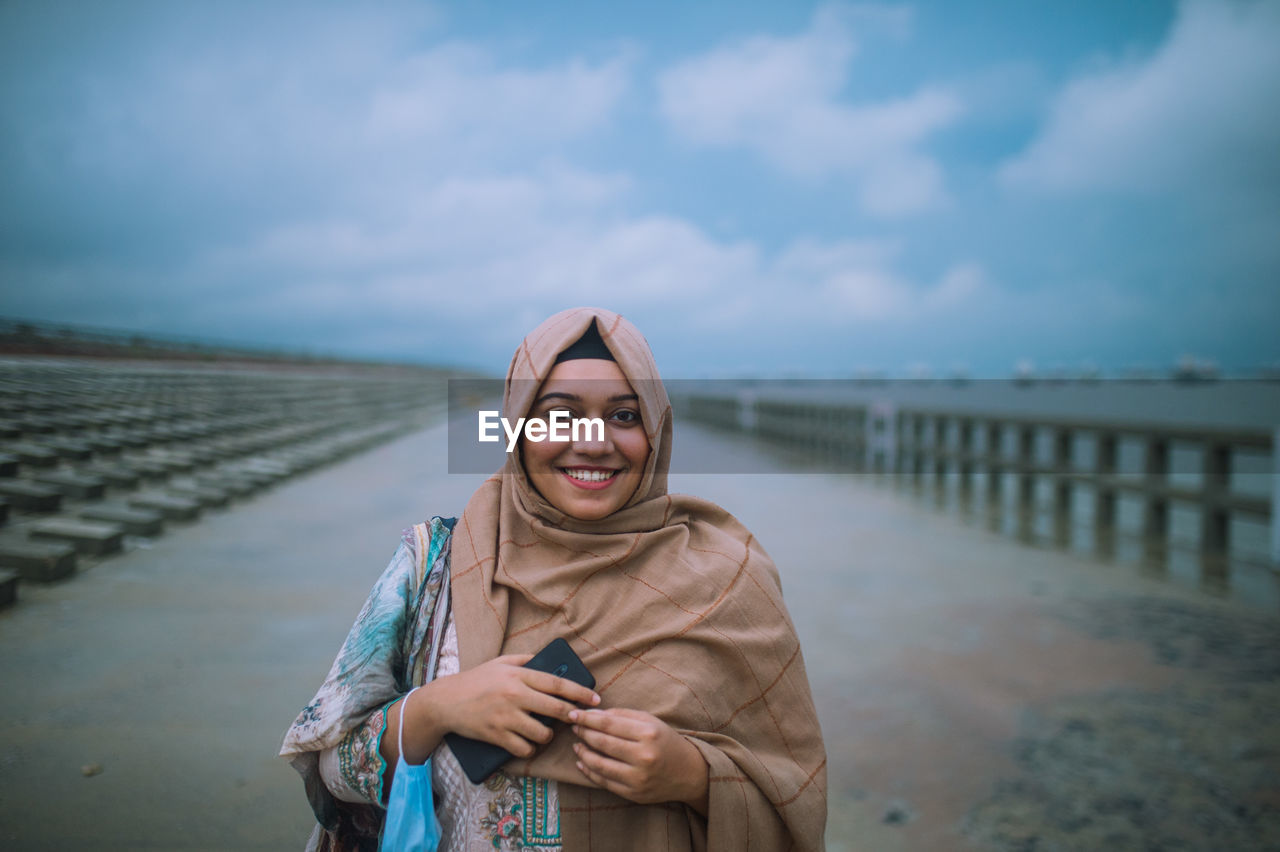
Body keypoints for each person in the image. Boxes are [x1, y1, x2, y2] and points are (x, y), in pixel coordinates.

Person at [281, 307, 827, 851]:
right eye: (560, 415)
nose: (593, 443)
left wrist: (693, 776)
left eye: (624, 416)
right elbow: (329, 770)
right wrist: (436, 707)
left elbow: (795, 798)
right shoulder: (434, 564)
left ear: (657, 429)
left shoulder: (726, 579)